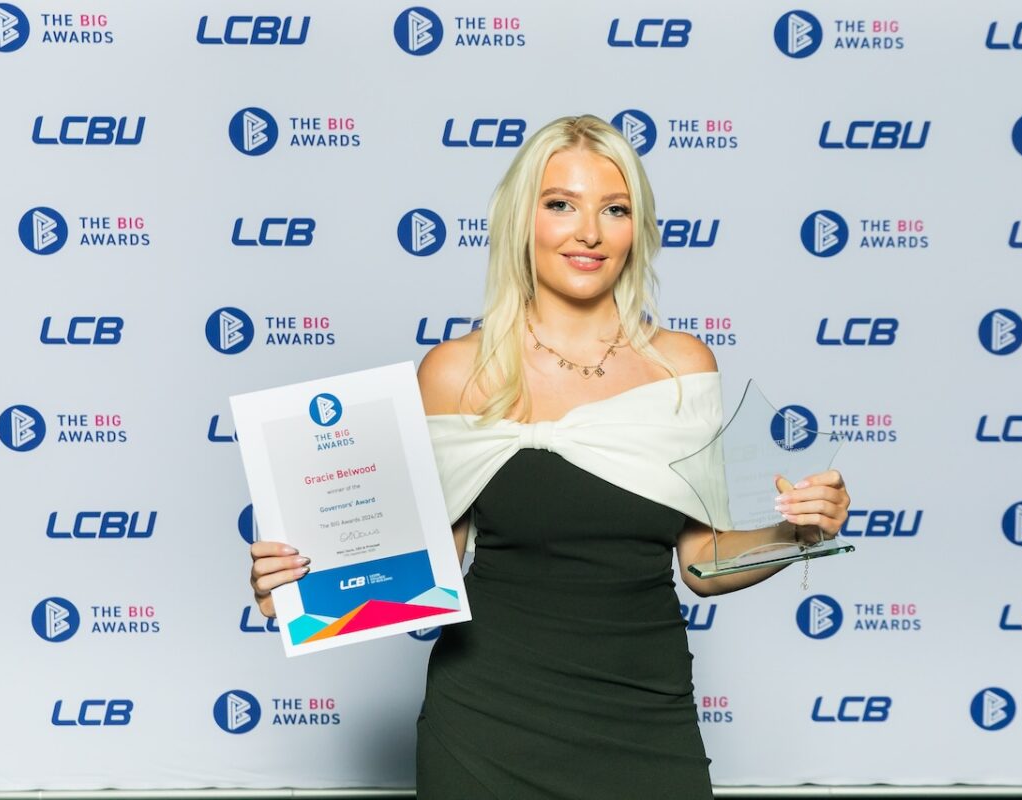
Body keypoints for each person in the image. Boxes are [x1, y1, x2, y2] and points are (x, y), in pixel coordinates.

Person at [250, 114, 850, 799]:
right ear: (522, 220)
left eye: (615, 209)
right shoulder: (454, 373)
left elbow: (704, 564)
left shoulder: (683, 368)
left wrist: (796, 536)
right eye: (561, 204)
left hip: (645, 718)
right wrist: (303, 588)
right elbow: (428, 567)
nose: (588, 231)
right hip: (485, 724)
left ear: (637, 228)